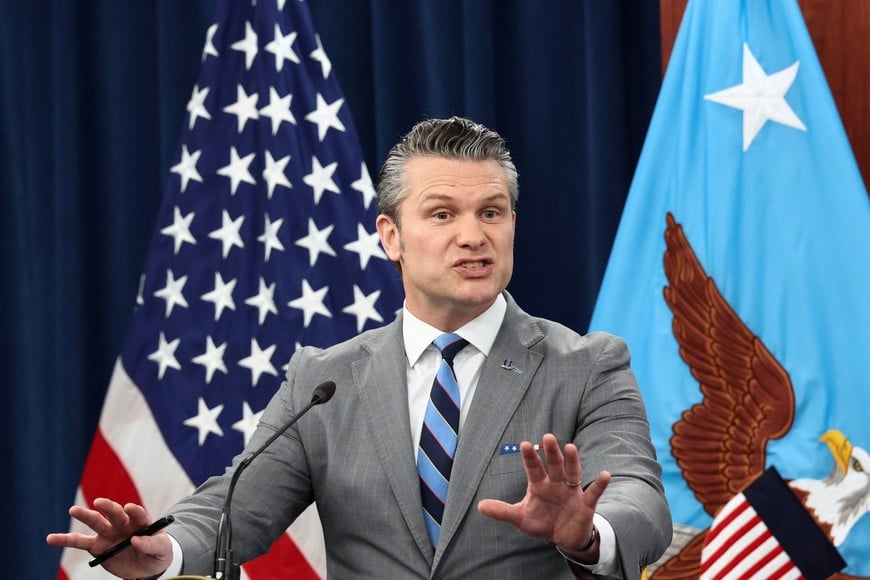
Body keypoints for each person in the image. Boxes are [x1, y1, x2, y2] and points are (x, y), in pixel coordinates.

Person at [47, 116, 672, 579]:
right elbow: (234, 508)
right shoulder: (324, 380)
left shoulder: (587, 365)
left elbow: (642, 499)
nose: (472, 235)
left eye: (491, 212)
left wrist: (590, 534)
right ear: (390, 237)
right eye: (442, 214)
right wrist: (167, 549)